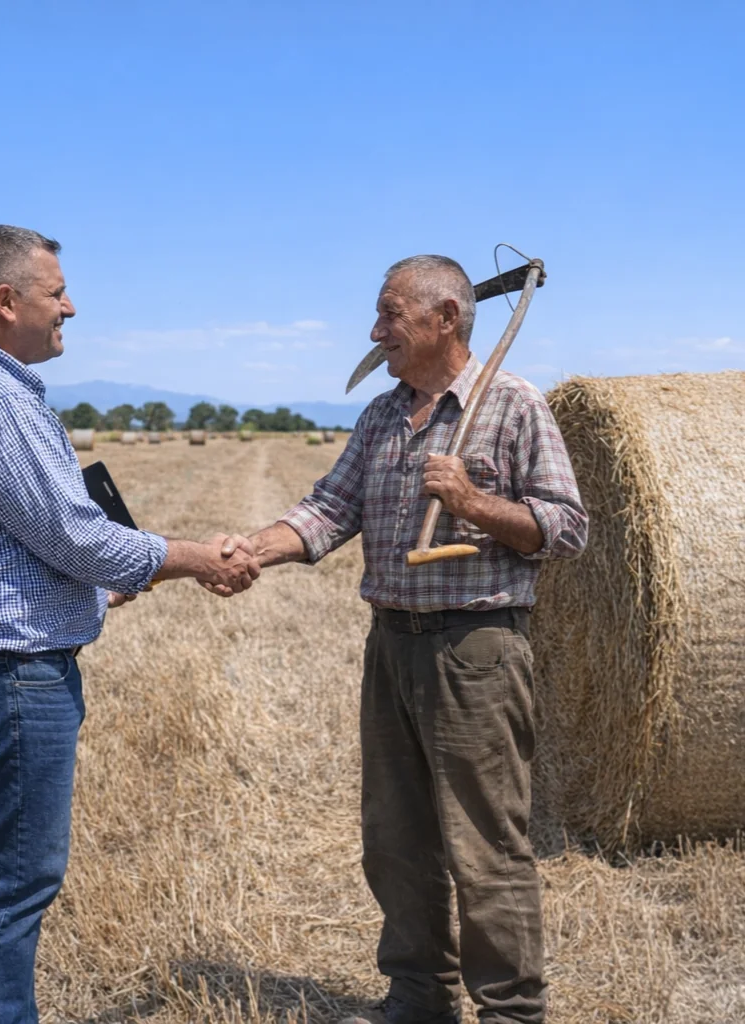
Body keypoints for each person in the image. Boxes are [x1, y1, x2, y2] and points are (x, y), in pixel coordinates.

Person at [0, 224, 260, 1024]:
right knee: (11, 886)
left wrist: (99, 598)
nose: (71, 307)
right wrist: (198, 558)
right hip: (5, 681)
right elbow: (75, 536)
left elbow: (10, 552)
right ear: (6, 300)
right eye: (56, 292)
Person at [211, 256, 588, 1024]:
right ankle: (418, 999)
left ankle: (511, 1012)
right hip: (391, 645)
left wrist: (473, 502)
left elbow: (567, 527)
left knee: (486, 848)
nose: (375, 330)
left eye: (390, 314)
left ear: (445, 317)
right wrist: (250, 549)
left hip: (476, 652)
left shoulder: (512, 405)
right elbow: (328, 509)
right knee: (395, 840)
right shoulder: (383, 415)